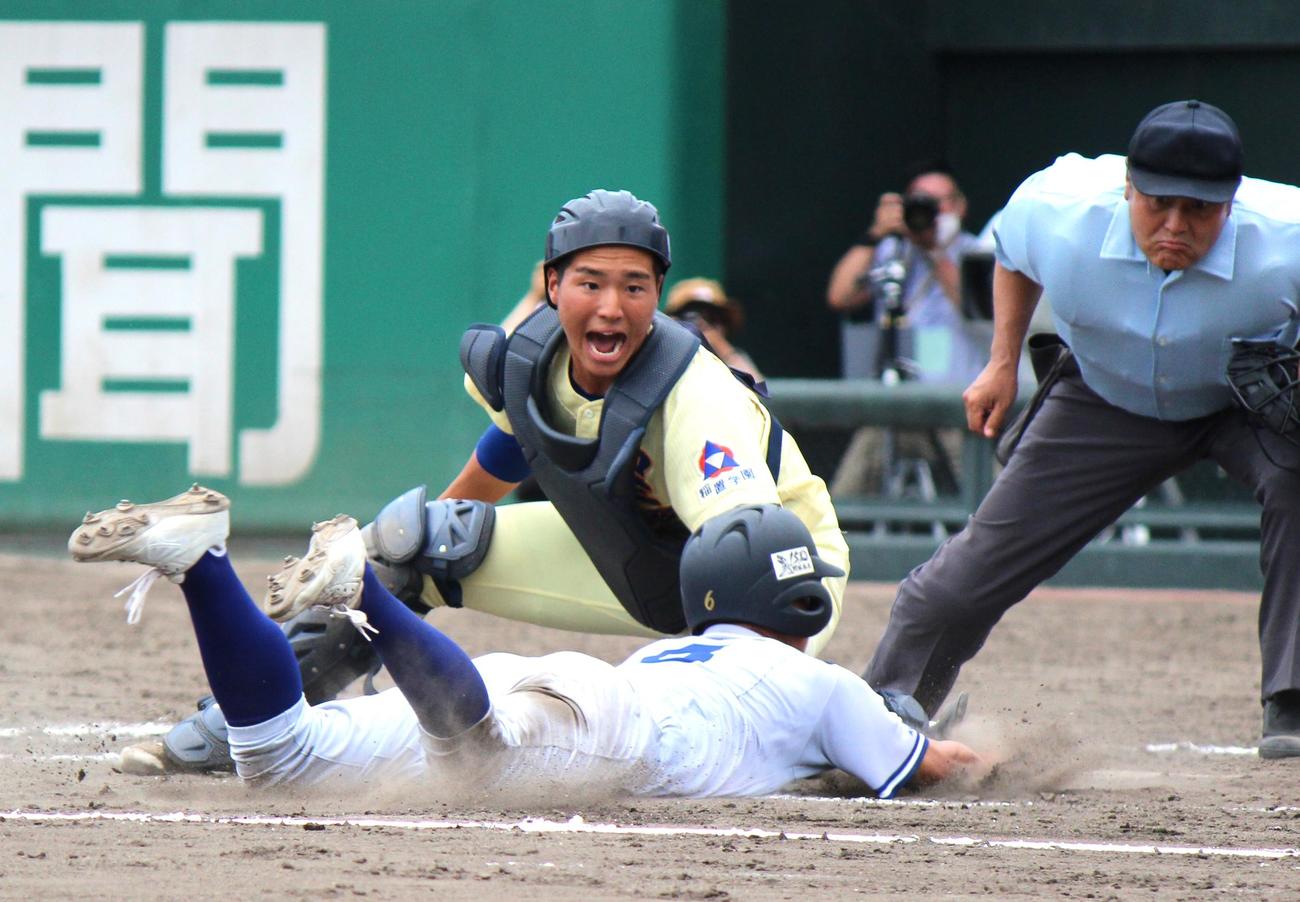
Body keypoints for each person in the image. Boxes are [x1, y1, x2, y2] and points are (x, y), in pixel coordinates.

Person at [122, 189, 852, 774]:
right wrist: (405, 555)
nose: (611, 306)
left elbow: (759, 562)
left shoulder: (698, 399)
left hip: (779, 592)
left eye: (635, 287)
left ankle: (856, 729)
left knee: (727, 742)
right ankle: (249, 723)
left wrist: (794, 707)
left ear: (658, 294)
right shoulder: (534, 364)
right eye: (589, 283)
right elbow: (504, 456)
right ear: (552, 285)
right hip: (641, 559)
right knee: (413, 547)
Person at [863, 100, 1300, 759]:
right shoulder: (1058, 207)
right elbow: (1012, 252)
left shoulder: (1288, 236)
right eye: (1158, 204)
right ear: (1129, 187)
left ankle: (1291, 701)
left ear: (1233, 202)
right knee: (968, 572)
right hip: (1106, 397)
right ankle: (879, 722)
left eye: (1201, 209)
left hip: (1240, 401)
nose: (1176, 225)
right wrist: (1002, 363)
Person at [70, 488, 984, 797]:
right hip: (604, 726)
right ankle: (368, 600)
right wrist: (989, 758)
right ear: (804, 607)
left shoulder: (677, 650)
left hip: (546, 685)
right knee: (476, 751)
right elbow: (928, 764)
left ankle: (202, 566)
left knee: (279, 759)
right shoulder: (816, 682)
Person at [826, 164, 988, 386]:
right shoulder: (893, 250)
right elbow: (841, 297)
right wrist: (875, 234)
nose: (929, 212)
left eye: (938, 203)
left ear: (960, 206)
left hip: (955, 387)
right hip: (897, 385)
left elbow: (978, 309)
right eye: (920, 201)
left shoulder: (974, 251)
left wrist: (934, 250)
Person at [664, 277, 763, 382]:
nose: (702, 325)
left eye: (712, 318)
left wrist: (723, 349)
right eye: (690, 318)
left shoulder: (730, 356)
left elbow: (758, 390)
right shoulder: (661, 354)